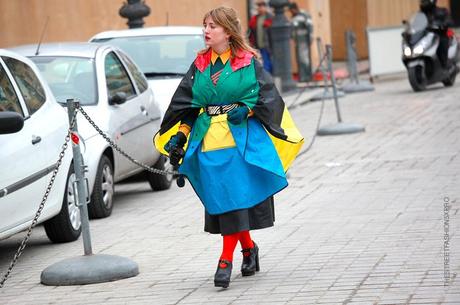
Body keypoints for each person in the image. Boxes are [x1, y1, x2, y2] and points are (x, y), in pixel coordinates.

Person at [154, 6, 304, 289]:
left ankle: (225, 261)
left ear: (228, 31)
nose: (206, 31)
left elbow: (268, 98)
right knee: (225, 202)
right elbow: (187, 107)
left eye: (212, 26)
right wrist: (180, 136)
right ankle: (249, 248)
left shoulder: (248, 62)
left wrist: (246, 111)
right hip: (208, 143)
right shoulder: (199, 65)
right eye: (205, 25)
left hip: (240, 143)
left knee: (233, 199)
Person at [419, 0, 453, 67]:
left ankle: (445, 64)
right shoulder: (421, 14)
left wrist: (443, 24)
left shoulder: (442, 11)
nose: (423, 2)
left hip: (440, 34)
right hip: (426, 36)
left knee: (442, 41)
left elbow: (449, 21)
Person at [289, 2, 314, 82]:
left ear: (294, 9)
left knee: (304, 59)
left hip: (304, 40)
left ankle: (308, 77)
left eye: (291, 10)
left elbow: (310, 26)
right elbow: (292, 30)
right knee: (299, 59)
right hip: (298, 41)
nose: (290, 12)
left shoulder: (304, 15)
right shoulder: (293, 17)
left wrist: (310, 37)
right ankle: (302, 77)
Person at [248, 0, 274, 73]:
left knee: (268, 62)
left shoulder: (270, 17)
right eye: (259, 7)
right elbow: (251, 31)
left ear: (265, 7)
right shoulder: (255, 19)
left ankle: (269, 77)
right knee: (264, 62)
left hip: (268, 45)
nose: (260, 8)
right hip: (258, 45)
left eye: (262, 6)